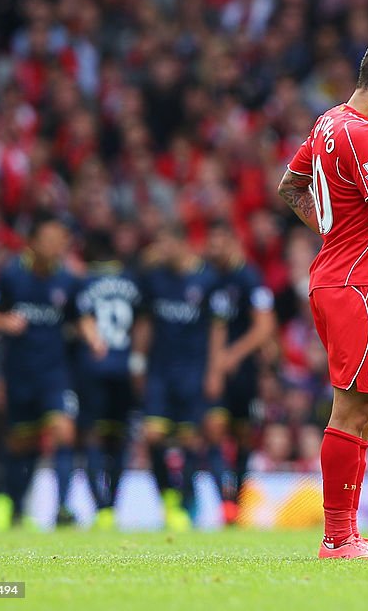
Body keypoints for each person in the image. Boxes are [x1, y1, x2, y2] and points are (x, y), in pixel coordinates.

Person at [277, 38, 368, 560]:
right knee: (351, 407)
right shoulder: (362, 133)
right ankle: (338, 538)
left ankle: (347, 535)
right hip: (357, 286)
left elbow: (290, 185)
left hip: (352, 278)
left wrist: (331, 228)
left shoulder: (328, 122)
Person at [0, 215, 105, 530]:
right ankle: (13, 503)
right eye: (50, 239)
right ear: (33, 242)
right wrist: (3, 322)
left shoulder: (68, 280)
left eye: (61, 240)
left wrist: (94, 337)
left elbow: (82, 315)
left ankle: (63, 508)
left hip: (55, 372)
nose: (56, 246)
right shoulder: (11, 276)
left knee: (63, 431)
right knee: (22, 444)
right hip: (20, 372)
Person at [131, 224, 224, 531]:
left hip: (193, 370)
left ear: (182, 243)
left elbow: (216, 329)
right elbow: (144, 322)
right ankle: (168, 499)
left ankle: (186, 500)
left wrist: (214, 371)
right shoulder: (154, 278)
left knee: (189, 439)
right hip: (160, 369)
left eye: (165, 242)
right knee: (153, 435)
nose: (161, 250)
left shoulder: (207, 279)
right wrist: (138, 361)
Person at [204, 220, 276, 522]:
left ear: (233, 243)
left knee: (244, 434)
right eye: (212, 242)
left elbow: (264, 327)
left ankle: (238, 497)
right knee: (213, 429)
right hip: (217, 367)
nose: (215, 248)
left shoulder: (249, 279)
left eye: (221, 242)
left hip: (245, 370)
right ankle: (224, 499)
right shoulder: (210, 279)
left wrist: (233, 355)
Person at [74, 230, 142, 530]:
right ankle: (110, 506)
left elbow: (80, 319)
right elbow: (143, 322)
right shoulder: (133, 281)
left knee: (91, 436)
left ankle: (99, 505)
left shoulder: (83, 282)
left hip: (93, 368)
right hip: (125, 368)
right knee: (118, 439)